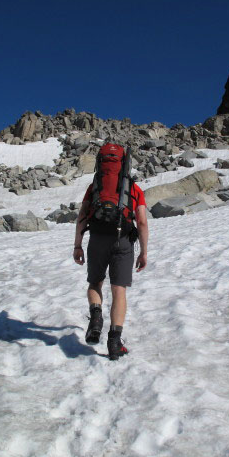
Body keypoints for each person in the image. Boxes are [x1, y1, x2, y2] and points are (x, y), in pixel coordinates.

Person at [73, 143, 149, 360]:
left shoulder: (95, 185)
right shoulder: (133, 189)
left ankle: (96, 317)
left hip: (97, 237)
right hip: (123, 240)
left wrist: (78, 245)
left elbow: (82, 217)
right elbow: (142, 222)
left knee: (95, 283)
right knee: (119, 290)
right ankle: (115, 343)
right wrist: (143, 252)